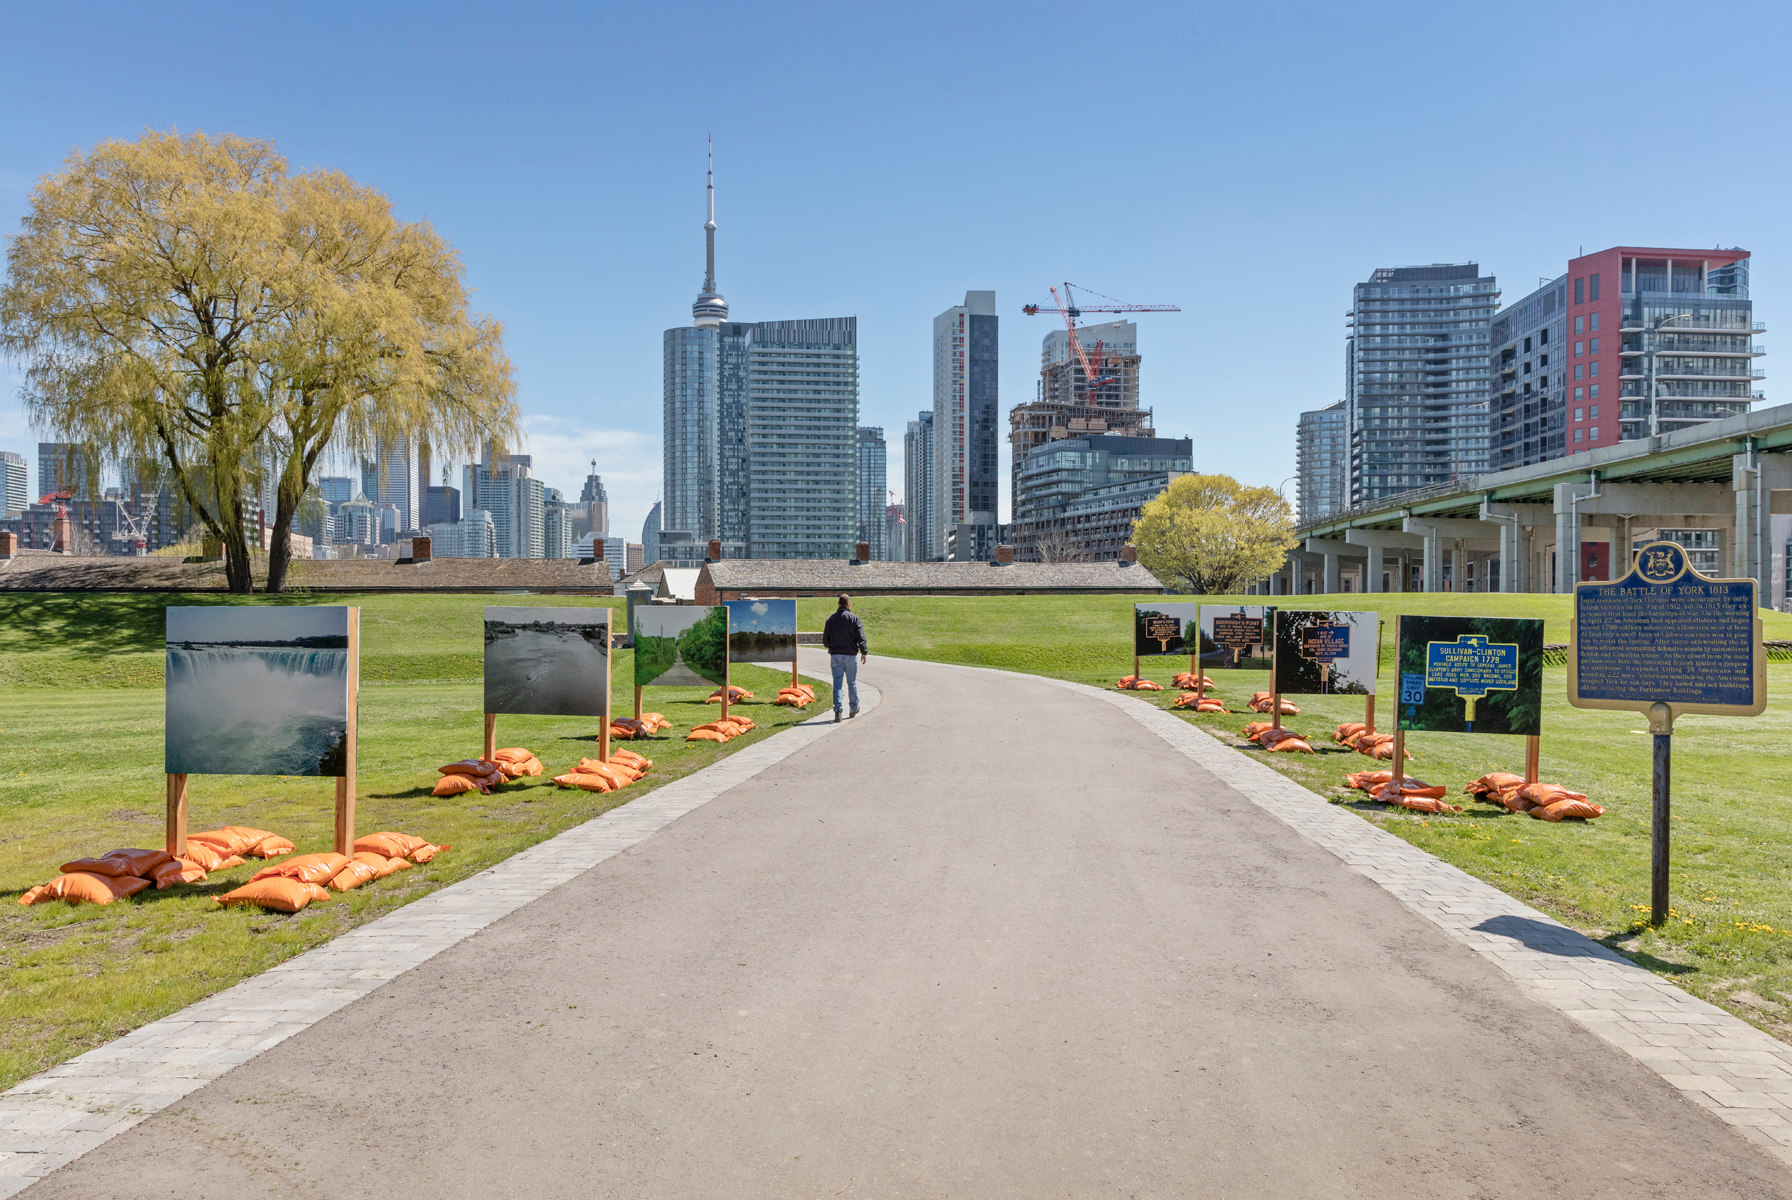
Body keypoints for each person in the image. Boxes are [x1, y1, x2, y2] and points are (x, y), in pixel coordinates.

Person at [822, 593, 868, 722]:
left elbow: (825, 640)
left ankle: (838, 710)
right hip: (850, 655)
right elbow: (860, 636)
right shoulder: (854, 618)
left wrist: (831, 647)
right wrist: (864, 651)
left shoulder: (830, 619)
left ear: (838, 604)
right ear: (849, 604)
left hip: (836, 655)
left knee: (837, 683)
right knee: (851, 682)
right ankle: (853, 707)